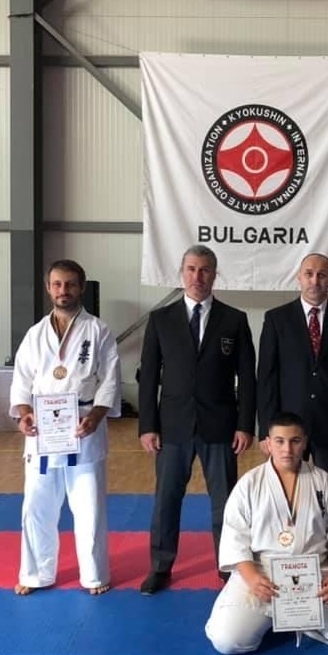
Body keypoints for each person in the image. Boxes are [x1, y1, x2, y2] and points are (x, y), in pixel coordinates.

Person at [205, 411, 328, 654]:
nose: (287, 449)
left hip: (317, 574)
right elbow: (234, 538)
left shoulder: (323, 481)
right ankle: (286, 618)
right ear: (268, 443)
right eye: (279, 441)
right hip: (263, 574)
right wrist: (252, 578)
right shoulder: (249, 484)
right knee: (228, 641)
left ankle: (305, 622)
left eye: (295, 441)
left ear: (305, 442)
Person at [138, 244, 256, 595]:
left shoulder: (234, 319)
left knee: (225, 502)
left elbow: (248, 377)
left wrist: (245, 424)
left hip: (220, 425)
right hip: (172, 425)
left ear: (215, 274)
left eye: (204, 270)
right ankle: (160, 566)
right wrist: (148, 425)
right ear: (182, 272)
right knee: (166, 499)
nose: (197, 276)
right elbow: (149, 378)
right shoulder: (160, 319)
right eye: (191, 269)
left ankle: (228, 565)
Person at [9, 259, 121, 596]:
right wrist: (24, 414)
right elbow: (21, 381)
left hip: (83, 428)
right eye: (57, 284)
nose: (63, 290)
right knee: (36, 506)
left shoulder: (98, 330)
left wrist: (96, 417)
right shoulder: (35, 334)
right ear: (48, 288)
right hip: (43, 431)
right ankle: (35, 574)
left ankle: (94, 575)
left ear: (81, 287)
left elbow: (109, 380)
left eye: (70, 284)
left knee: (89, 507)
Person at [257, 253, 328, 503]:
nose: (315, 281)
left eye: (321, 275)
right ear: (299, 277)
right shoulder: (277, 319)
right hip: (287, 430)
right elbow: (266, 380)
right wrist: (266, 430)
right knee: (285, 496)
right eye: (309, 274)